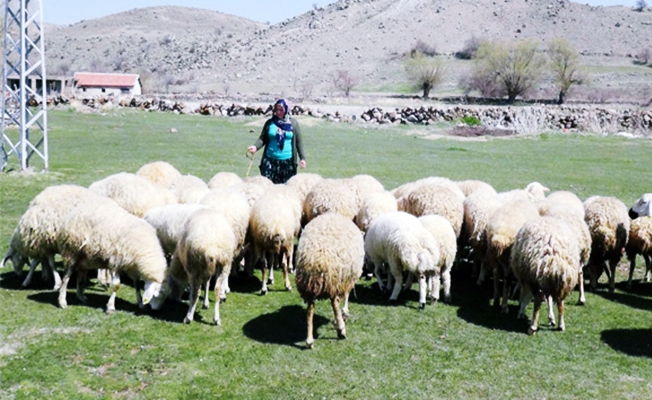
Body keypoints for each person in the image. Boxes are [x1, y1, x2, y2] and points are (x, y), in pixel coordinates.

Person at [247, 98, 306, 184]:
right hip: (270, 161)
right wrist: (255, 147)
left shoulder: (293, 124)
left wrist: (302, 158)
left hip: (287, 162)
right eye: (277, 109)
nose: (278, 112)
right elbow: (262, 138)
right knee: (268, 187)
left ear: (286, 110)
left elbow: (299, 142)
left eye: (281, 110)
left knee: (286, 189)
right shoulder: (270, 123)